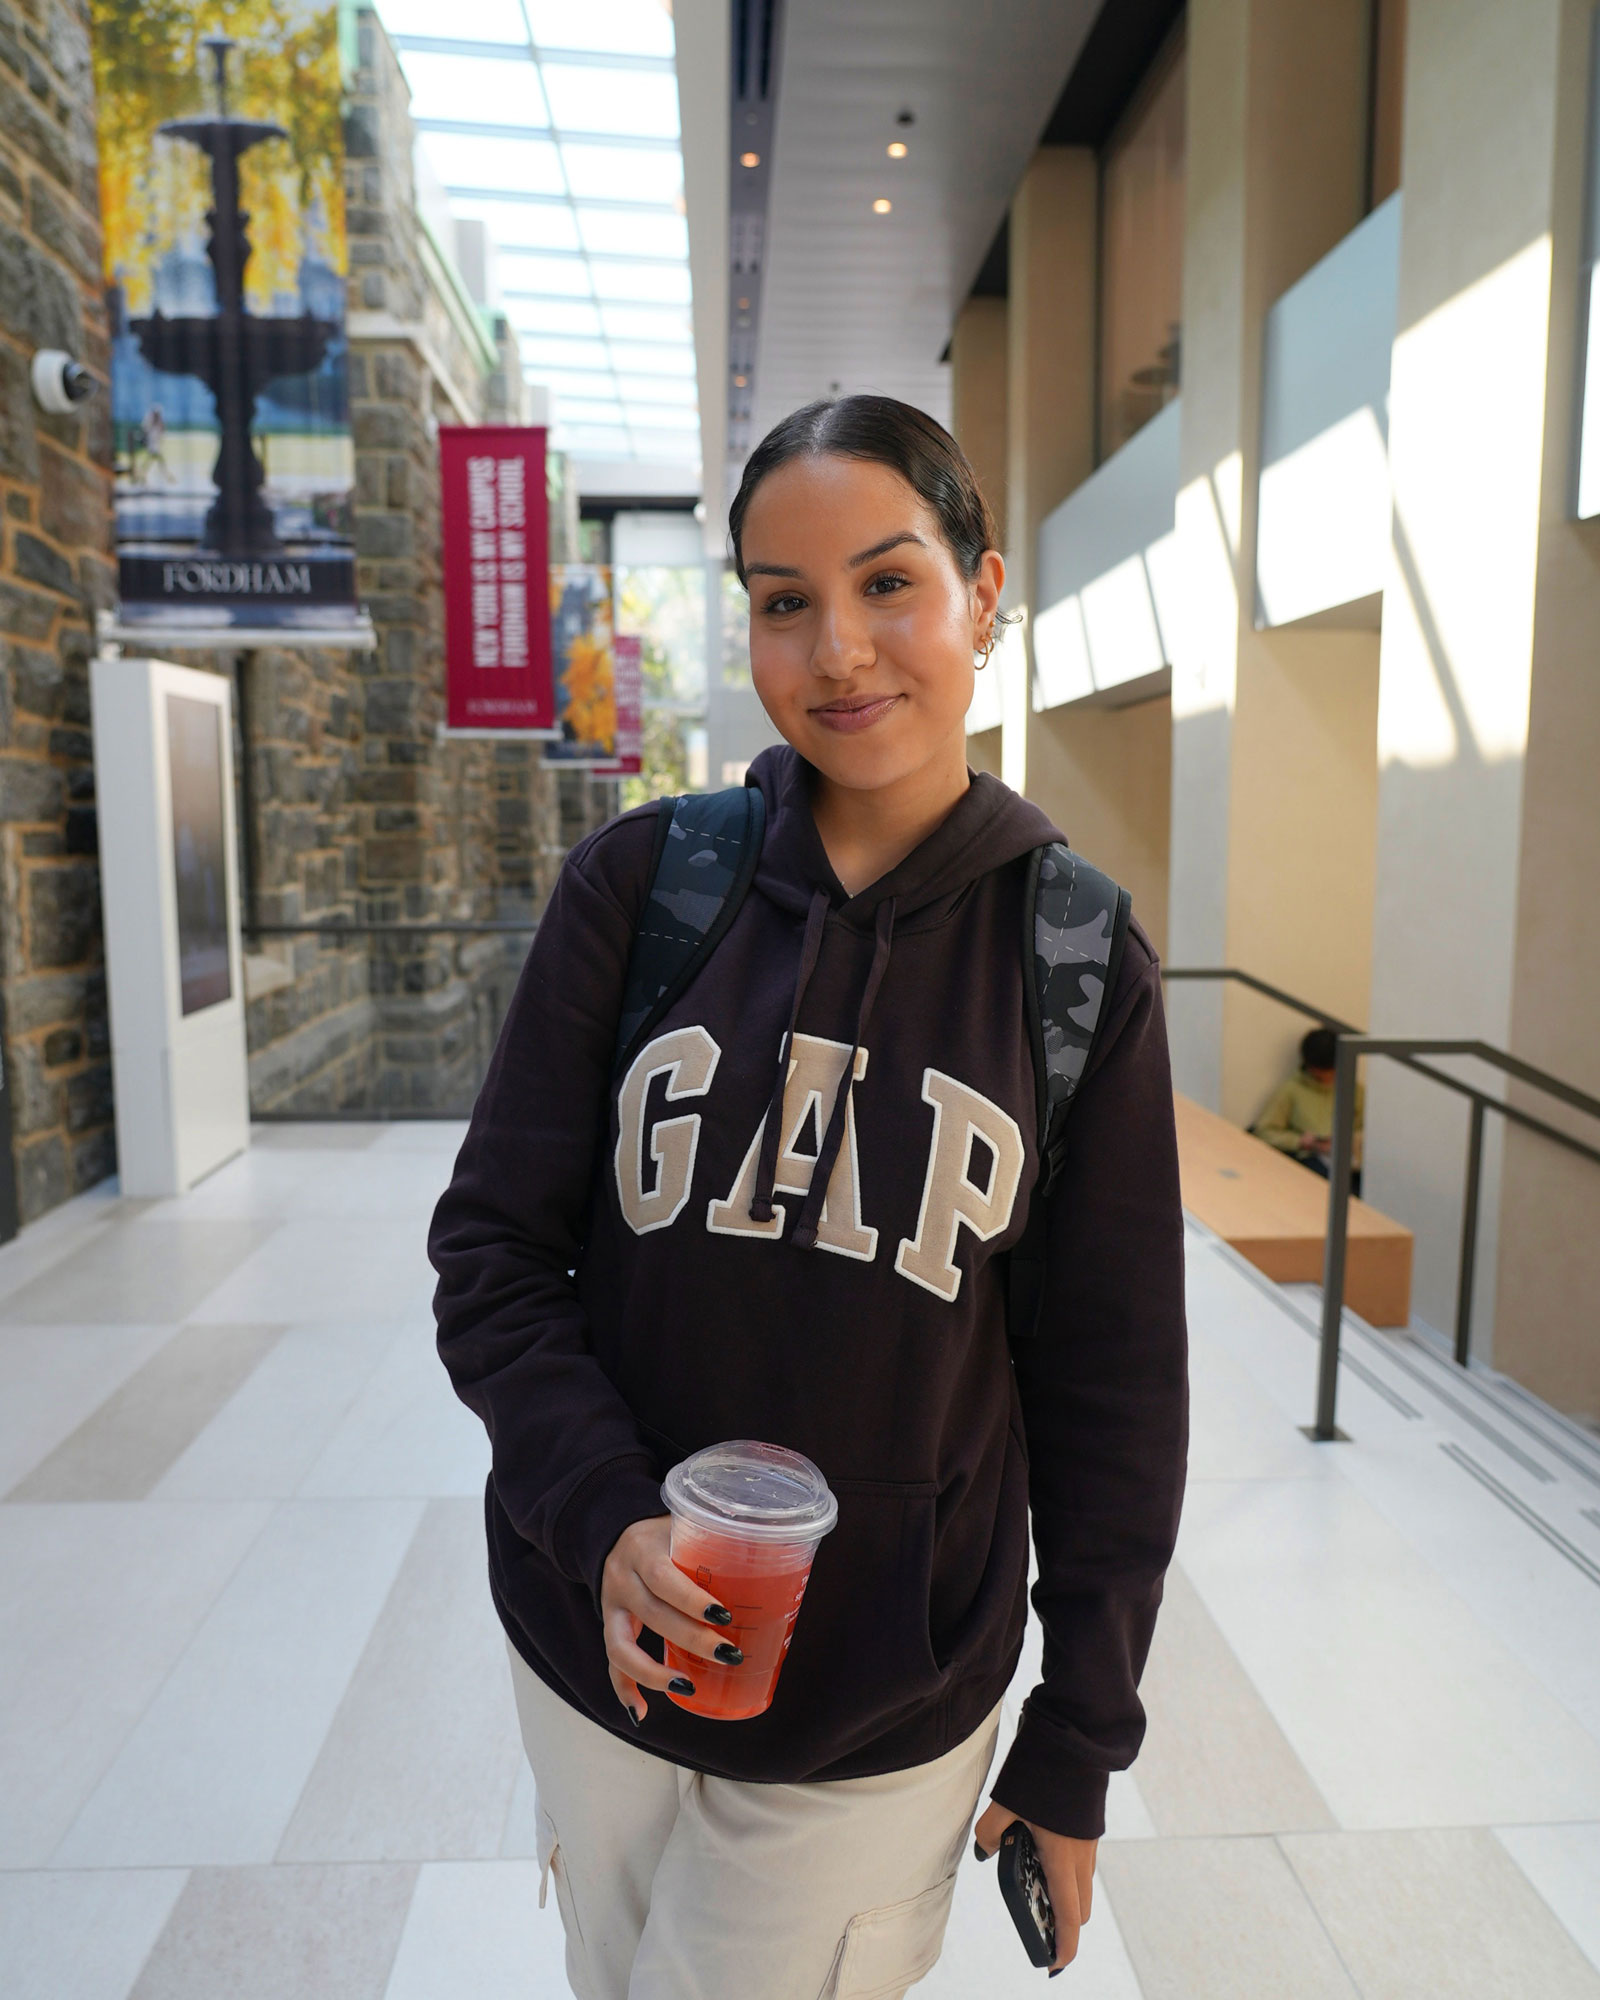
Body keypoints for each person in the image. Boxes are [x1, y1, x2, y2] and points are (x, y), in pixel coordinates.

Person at [430, 395, 1188, 2000]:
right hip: (599, 1641)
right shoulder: (641, 889)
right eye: (785, 601)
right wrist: (603, 1517)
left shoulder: (1073, 964)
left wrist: (1079, 1737)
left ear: (984, 591)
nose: (838, 650)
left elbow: (1114, 1387)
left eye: (888, 582)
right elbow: (492, 1251)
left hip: (881, 1702)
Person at [1252, 1026, 1364, 1192]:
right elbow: (1264, 1131)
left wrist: (1348, 1141)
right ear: (1309, 1066)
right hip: (1311, 1161)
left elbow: (1368, 1131)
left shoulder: (1354, 1089)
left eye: (1332, 1072)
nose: (1327, 1078)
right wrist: (1301, 1141)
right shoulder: (1291, 1090)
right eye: (1321, 1074)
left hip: (1349, 1160)